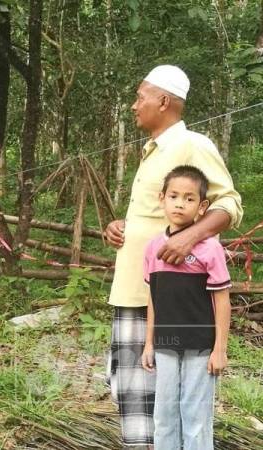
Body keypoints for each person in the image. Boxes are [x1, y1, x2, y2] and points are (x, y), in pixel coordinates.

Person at [104, 65, 242, 447]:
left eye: (140, 97)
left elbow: (229, 203)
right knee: (134, 388)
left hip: (171, 301)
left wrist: (190, 238)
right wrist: (122, 225)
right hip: (138, 288)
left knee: (161, 393)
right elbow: (154, 216)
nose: (134, 106)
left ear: (163, 101)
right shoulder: (154, 151)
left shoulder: (191, 145)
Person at [142, 165, 231, 450]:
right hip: (166, 346)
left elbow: (222, 301)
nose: (180, 203)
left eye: (189, 198)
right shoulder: (153, 248)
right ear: (162, 198)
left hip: (201, 348)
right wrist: (148, 343)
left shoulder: (209, 249)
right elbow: (153, 298)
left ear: (202, 206)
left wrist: (220, 349)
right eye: (174, 196)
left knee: (195, 418)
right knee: (164, 417)